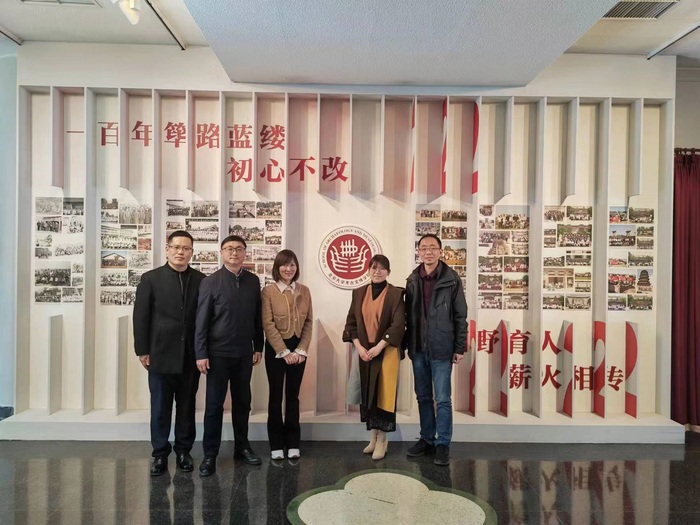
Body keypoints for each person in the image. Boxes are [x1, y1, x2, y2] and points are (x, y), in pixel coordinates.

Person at [133, 230, 206, 476]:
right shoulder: (150, 279)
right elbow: (141, 317)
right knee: (160, 408)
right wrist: (142, 350)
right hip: (160, 354)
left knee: (187, 407)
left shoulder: (201, 280)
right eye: (176, 247)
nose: (180, 252)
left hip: (190, 356)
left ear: (191, 252)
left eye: (186, 248)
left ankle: (184, 451)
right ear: (167, 249)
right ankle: (160, 454)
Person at [195, 235, 264, 476]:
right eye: (229, 249)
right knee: (214, 405)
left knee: (243, 402)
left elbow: (257, 317)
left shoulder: (253, 281)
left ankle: (242, 447)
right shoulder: (210, 282)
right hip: (217, 354)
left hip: (244, 353)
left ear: (245, 253)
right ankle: (210, 454)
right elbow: (201, 320)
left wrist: (258, 346)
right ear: (222, 252)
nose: (234, 253)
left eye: (239, 249)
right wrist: (201, 353)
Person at [405, 234, 468, 466]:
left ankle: (443, 444)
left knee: (442, 399)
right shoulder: (413, 279)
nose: (428, 252)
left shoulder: (451, 279)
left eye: (433, 248)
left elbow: (460, 315)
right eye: (424, 248)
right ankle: (427, 438)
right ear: (419, 252)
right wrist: (406, 345)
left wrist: (459, 347)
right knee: (423, 396)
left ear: (441, 252)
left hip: (442, 347)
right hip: (418, 348)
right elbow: (407, 317)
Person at [343, 254, 406, 460]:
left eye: (382, 268)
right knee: (369, 393)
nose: (377, 272)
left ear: (388, 272)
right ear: (368, 270)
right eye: (374, 268)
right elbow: (351, 323)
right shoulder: (359, 293)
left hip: (386, 350)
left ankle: (383, 439)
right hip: (365, 352)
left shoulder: (396, 294)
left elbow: (398, 325)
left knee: (384, 395)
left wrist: (379, 347)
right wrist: (359, 348)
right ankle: (374, 436)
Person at [261, 249, 313, 460]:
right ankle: (275, 443)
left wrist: (301, 350)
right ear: (277, 267)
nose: (288, 268)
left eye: (292, 264)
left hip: (298, 349)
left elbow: (308, 322)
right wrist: (283, 352)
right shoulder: (268, 291)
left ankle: (293, 443)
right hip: (276, 350)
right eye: (284, 264)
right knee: (275, 396)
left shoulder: (304, 290)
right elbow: (268, 324)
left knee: (293, 397)